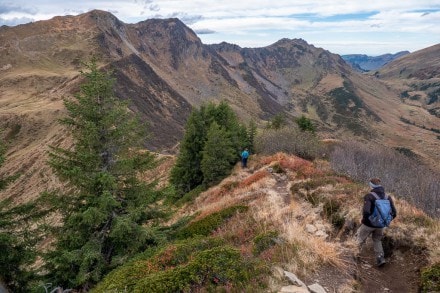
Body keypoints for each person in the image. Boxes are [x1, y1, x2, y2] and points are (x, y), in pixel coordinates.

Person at [356, 177, 397, 267]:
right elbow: (394, 213)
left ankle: (355, 256)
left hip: (368, 224)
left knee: (360, 238)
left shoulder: (369, 196)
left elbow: (366, 211)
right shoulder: (388, 197)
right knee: (377, 240)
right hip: (381, 225)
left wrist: (365, 221)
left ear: (371, 186)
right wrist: (385, 221)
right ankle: (380, 258)